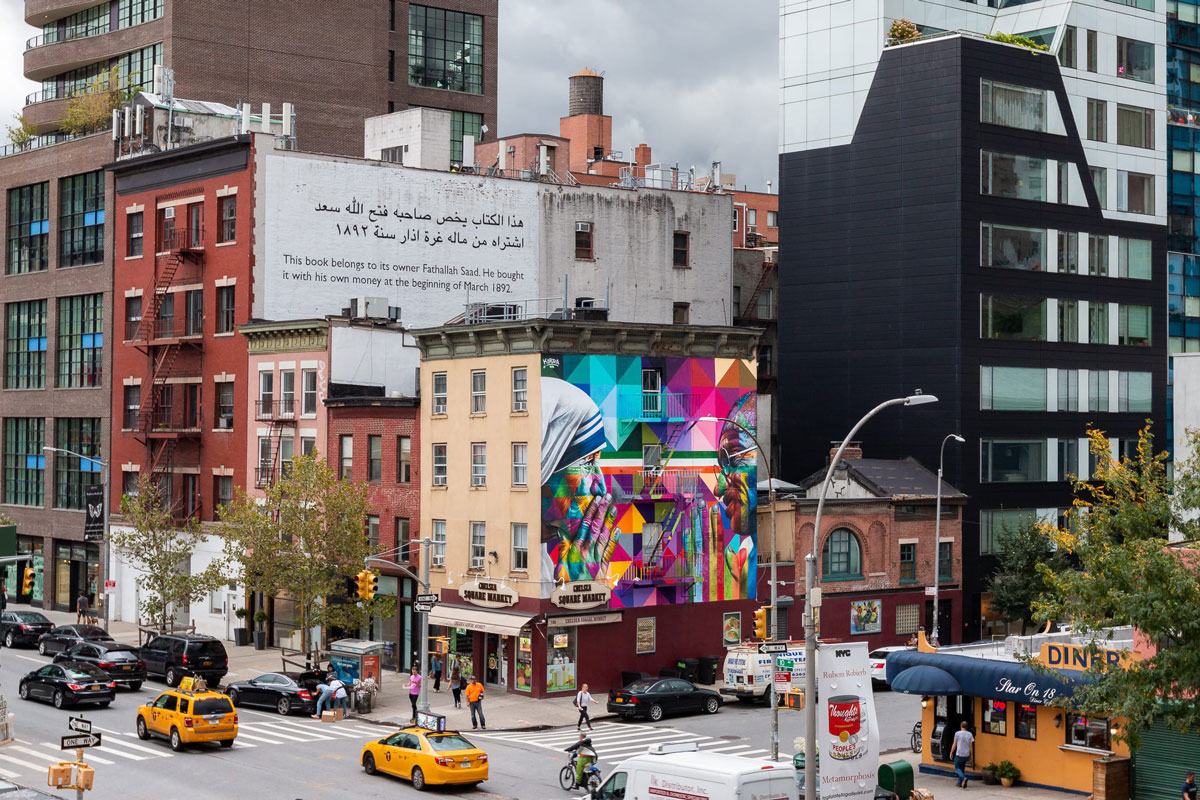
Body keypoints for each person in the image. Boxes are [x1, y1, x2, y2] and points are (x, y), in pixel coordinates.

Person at [953, 720, 974, 788]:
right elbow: (971, 746)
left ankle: (963, 778)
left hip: (959, 754)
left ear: (961, 726)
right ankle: (959, 783)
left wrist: (951, 752)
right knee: (962, 768)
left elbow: (954, 744)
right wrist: (971, 755)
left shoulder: (957, 733)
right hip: (966, 754)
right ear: (967, 727)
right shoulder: (970, 734)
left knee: (956, 768)